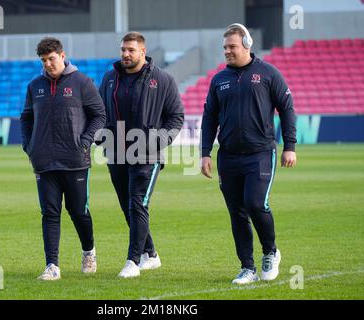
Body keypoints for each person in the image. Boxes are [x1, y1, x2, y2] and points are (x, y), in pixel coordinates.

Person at [200, 23, 297, 285]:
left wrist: (290, 145)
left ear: (247, 45)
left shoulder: (267, 73)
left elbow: (286, 108)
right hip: (228, 156)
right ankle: (247, 267)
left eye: (232, 46)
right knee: (237, 213)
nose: (227, 52)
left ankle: (270, 251)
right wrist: (205, 153)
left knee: (256, 204)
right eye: (225, 48)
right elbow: (209, 117)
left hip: (260, 154)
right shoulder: (219, 79)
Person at [98, 31, 184, 278]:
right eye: (123, 49)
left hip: (148, 154)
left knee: (137, 203)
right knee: (129, 207)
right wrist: (101, 135)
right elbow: (99, 112)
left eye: (131, 50)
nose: (125, 54)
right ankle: (151, 254)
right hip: (116, 152)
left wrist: (159, 141)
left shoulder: (163, 80)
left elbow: (176, 117)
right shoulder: (109, 78)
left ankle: (132, 261)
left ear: (143, 52)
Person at [20, 37, 106, 280]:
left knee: (78, 211)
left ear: (62, 55)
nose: (48, 64)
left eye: (52, 58)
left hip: (75, 160)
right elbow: (26, 117)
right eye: (44, 60)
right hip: (44, 161)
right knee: (49, 213)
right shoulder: (35, 86)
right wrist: (29, 146)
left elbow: (99, 115)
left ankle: (89, 251)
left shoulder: (81, 82)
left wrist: (86, 140)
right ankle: (52, 266)